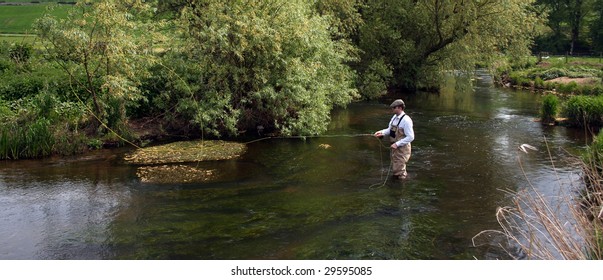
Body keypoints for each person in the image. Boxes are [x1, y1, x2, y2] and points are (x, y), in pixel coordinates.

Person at [374, 99, 415, 179]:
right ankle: (397, 184)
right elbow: (390, 130)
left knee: (400, 171)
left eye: (394, 107)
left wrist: (397, 144)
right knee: (396, 168)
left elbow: (411, 137)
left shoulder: (406, 120)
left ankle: (401, 187)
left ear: (400, 108)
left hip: (402, 149)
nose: (392, 109)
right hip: (394, 147)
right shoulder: (394, 118)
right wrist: (381, 132)